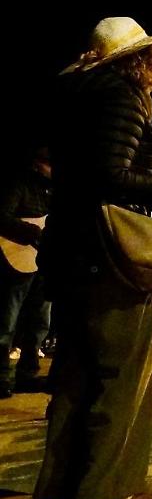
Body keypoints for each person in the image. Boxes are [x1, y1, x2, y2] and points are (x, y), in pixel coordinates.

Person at [34, 17, 152, 499]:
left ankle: (56, 490)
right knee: (123, 373)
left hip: (70, 250)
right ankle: (102, 492)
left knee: (75, 374)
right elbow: (112, 177)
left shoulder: (74, 99)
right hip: (106, 254)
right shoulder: (122, 96)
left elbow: (83, 175)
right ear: (142, 60)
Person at [0, 146, 53, 397]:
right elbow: (2, 218)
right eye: (48, 163)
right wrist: (32, 232)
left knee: (40, 322)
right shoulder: (20, 186)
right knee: (6, 323)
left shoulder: (52, 192)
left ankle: (27, 374)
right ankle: (1, 377)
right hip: (18, 262)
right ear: (36, 164)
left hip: (44, 264)